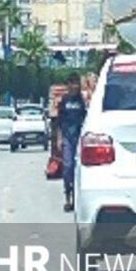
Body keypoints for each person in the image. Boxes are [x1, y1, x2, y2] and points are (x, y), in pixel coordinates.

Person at [56, 77, 87, 212]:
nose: (74, 86)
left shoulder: (81, 101)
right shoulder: (65, 101)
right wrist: (59, 138)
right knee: (68, 166)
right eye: (72, 84)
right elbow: (59, 121)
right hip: (67, 138)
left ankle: (76, 198)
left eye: (76, 84)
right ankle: (67, 196)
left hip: (79, 138)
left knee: (77, 168)